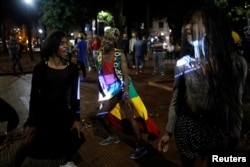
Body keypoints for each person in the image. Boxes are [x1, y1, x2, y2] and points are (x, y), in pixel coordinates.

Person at [158, 4, 248, 167]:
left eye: (194, 22)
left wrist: (234, 136)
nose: (187, 27)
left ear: (210, 27)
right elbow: (176, 99)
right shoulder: (183, 64)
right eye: (187, 22)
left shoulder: (235, 64)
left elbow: (236, 103)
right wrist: (168, 132)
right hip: (187, 127)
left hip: (215, 128)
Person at [13, 31, 85, 167]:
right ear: (53, 47)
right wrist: (31, 122)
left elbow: (76, 97)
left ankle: (63, 163)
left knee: (66, 146)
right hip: (44, 116)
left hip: (63, 116)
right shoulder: (40, 69)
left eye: (67, 44)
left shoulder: (73, 69)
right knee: (28, 146)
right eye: (62, 44)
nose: (66, 47)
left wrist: (76, 119)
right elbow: (34, 97)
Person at [96, 28, 160, 160]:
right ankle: (114, 136)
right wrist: (101, 95)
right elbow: (100, 76)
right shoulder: (99, 54)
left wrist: (126, 94)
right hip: (110, 90)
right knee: (101, 115)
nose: (107, 41)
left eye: (110, 39)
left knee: (131, 117)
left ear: (114, 42)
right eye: (105, 38)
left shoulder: (119, 55)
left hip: (124, 87)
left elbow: (125, 75)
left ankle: (140, 146)